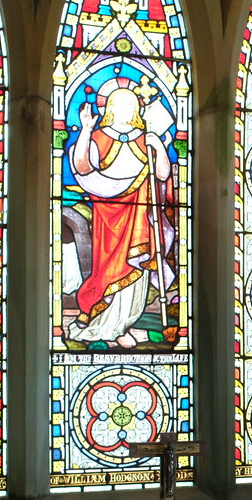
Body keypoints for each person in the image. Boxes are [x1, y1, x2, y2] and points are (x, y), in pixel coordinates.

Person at [67, 87, 175, 348]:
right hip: (108, 215)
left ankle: (124, 324)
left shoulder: (145, 139)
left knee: (137, 267)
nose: (125, 110)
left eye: (130, 105)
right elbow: (82, 168)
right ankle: (105, 324)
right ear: (110, 109)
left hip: (140, 213)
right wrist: (85, 130)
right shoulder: (100, 137)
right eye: (120, 105)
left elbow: (162, 174)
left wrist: (159, 146)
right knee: (108, 269)